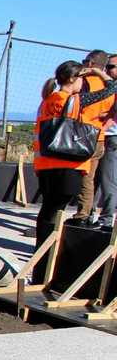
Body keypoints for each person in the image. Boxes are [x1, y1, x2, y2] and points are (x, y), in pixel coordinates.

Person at [33, 60, 117, 281]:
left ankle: (40, 265)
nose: (83, 82)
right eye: (81, 77)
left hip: (45, 165)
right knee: (54, 215)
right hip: (68, 165)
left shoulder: (48, 100)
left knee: (47, 213)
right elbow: (113, 88)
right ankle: (44, 265)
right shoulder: (74, 101)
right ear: (72, 79)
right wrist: (100, 72)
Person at [74, 49, 114, 224]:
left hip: (95, 135)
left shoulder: (90, 83)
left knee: (97, 179)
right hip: (98, 135)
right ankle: (89, 215)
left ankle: (93, 217)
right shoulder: (107, 85)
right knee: (92, 178)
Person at [95, 53, 117, 231]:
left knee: (108, 180)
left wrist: (105, 117)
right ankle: (89, 214)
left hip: (112, 137)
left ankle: (106, 219)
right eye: (106, 67)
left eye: (111, 67)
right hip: (104, 135)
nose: (107, 70)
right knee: (97, 178)